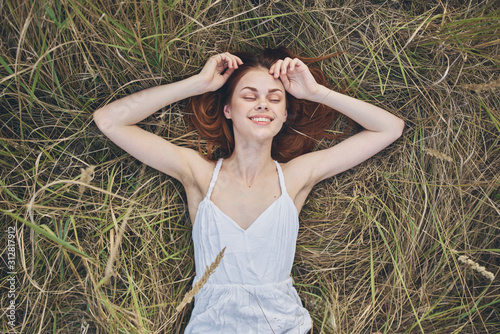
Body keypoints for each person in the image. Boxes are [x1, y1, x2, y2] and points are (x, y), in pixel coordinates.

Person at [93, 48, 404, 333]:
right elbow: (109, 121)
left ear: (284, 115)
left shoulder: (295, 177)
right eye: (249, 95)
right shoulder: (200, 175)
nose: (262, 104)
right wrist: (198, 84)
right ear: (228, 109)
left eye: (275, 98)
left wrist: (315, 92)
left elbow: (389, 128)